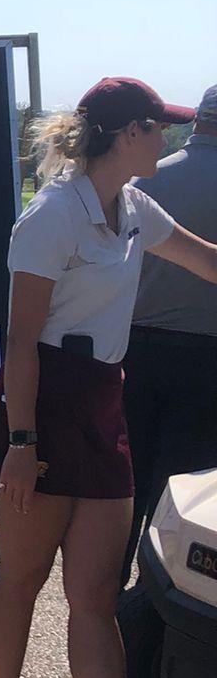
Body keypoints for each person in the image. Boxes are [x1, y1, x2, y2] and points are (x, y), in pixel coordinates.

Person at [0, 76, 217, 678]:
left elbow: (209, 262)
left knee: (95, 597)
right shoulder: (51, 217)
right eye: (158, 128)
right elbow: (20, 341)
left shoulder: (135, 206)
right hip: (41, 404)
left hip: (104, 400)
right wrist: (20, 443)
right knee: (21, 576)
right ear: (126, 133)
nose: (168, 139)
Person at [120, 81, 217, 580]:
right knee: (186, 504)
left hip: (131, 354)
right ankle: (162, 619)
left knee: (122, 497)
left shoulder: (142, 185)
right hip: (207, 365)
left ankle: (107, 618)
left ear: (197, 122)